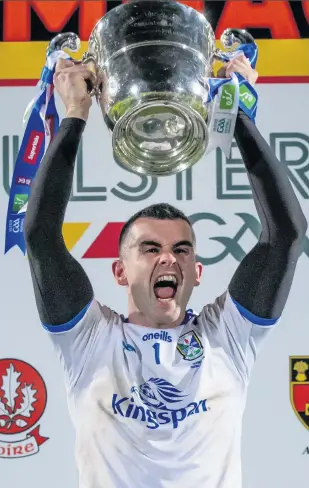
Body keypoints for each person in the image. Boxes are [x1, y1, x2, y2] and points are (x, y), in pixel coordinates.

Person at [24, 53, 307, 488]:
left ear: (197, 272)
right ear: (120, 272)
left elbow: (286, 234)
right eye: (150, 248)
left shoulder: (228, 334)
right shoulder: (90, 339)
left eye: (181, 249)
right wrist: (76, 113)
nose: (167, 258)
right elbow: (42, 236)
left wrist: (238, 112)